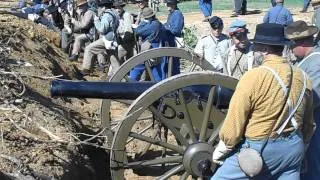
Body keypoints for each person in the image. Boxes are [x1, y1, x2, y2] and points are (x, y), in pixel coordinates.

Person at [212, 23, 315, 179]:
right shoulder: (303, 76)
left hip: (260, 149)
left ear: (265, 50)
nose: (253, 51)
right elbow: (309, 123)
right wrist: (303, 143)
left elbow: (235, 121)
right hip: (294, 148)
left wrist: (224, 147)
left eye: (256, 47)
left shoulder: (254, 77)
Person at [285, 20, 320, 180]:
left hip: (314, 126)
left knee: (313, 167)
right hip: (306, 125)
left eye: (291, 43)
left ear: (302, 42)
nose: (290, 48)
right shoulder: (305, 61)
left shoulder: (316, 63)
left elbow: (312, 99)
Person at [80, 0, 119, 75]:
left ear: (104, 7)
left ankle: (86, 69)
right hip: (113, 38)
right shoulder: (115, 14)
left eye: (100, 6)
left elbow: (102, 29)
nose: (100, 8)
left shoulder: (107, 15)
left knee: (89, 48)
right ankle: (120, 77)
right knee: (114, 59)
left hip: (107, 38)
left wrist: (96, 20)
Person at [129, 7, 163, 81]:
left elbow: (138, 31)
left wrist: (143, 22)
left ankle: (131, 83)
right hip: (156, 48)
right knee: (156, 69)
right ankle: (157, 84)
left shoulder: (153, 25)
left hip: (150, 48)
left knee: (138, 66)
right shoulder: (157, 23)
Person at [161, 0, 184, 79]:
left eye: (169, 3)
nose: (167, 5)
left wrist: (165, 28)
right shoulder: (171, 13)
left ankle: (175, 84)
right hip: (169, 42)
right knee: (168, 65)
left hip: (174, 42)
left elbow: (176, 30)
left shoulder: (177, 14)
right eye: (167, 3)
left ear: (174, 4)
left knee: (174, 66)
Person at [114, 0, 135, 65]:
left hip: (127, 40)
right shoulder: (116, 16)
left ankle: (113, 74)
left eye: (119, 8)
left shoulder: (126, 15)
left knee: (117, 56)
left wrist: (123, 43)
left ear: (122, 7)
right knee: (128, 59)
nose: (117, 10)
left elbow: (128, 31)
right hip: (119, 39)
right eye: (116, 8)